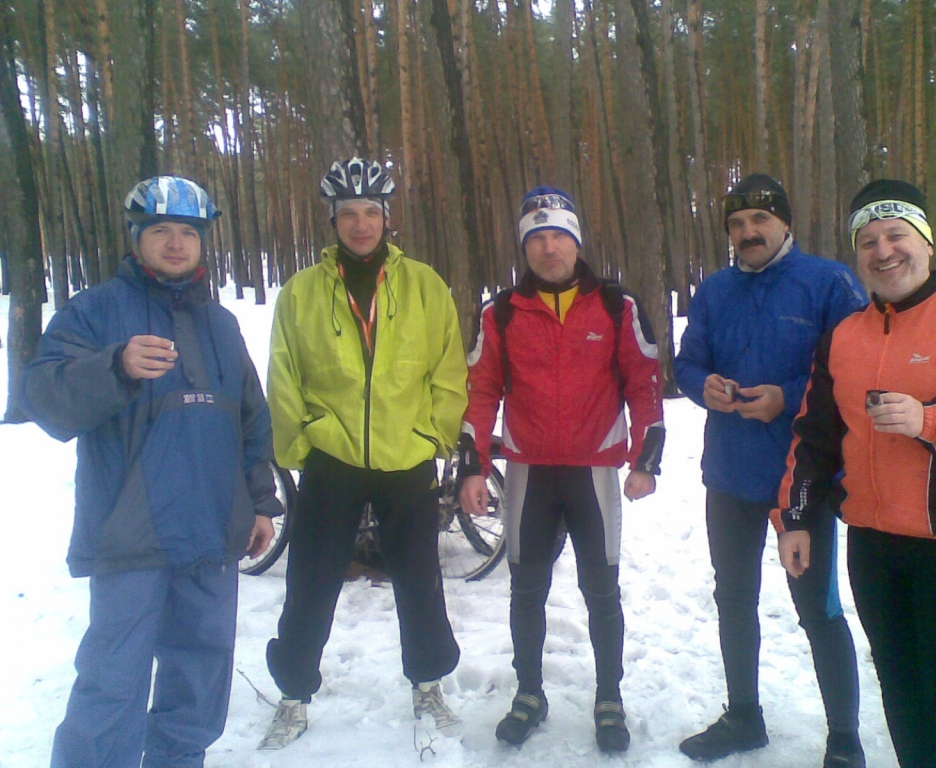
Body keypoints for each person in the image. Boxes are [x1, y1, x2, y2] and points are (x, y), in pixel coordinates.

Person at [20, 176, 281, 768]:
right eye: (160, 230)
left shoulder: (221, 324)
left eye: (187, 231)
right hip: (130, 534)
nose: (175, 243)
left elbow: (250, 419)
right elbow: (42, 395)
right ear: (136, 237)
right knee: (112, 682)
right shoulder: (95, 311)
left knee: (199, 678)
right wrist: (113, 365)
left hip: (212, 532)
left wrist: (261, 503)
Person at [775, 179, 936, 768]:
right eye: (868, 242)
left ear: (927, 243)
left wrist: (932, 421)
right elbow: (814, 437)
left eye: (896, 235)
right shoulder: (844, 336)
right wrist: (795, 518)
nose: (883, 251)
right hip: (873, 541)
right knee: (898, 680)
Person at [259, 157, 468, 749]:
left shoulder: (425, 286)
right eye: (348, 213)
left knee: (420, 580)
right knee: (311, 580)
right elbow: (283, 373)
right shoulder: (301, 292)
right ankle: (294, 694)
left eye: (370, 212)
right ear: (333, 221)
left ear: (387, 218)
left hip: (407, 456)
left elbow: (448, 370)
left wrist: (433, 436)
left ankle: (427, 683)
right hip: (333, 457)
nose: (360, 224)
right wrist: (303, 443)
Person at [458, 186, 665, 753]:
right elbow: (480, 391)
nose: (549, 248)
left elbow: (645, 383)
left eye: (559, 236)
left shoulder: (617, 306)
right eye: (537, 238)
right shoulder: (501, 311)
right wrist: (473, 468)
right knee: (526, 588)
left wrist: (646, 459)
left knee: (601, 589)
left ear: (577, 242)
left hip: (593, 473)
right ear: (524, 247)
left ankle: (609, 697)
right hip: (530, 473)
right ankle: (529, 692)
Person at [674, 174, 868, 765]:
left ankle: (844, 738)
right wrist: (703, 386)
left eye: (760, 220)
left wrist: (787, 396)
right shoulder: (715, 290)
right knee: (733, 598)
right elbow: (687, 363)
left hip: (801, 478)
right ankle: (743, 716)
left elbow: (855, 374)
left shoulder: (829, 283)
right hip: (729, 475)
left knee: (818, 609)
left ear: (786, 223)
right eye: (736, 224)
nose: (748, 232)